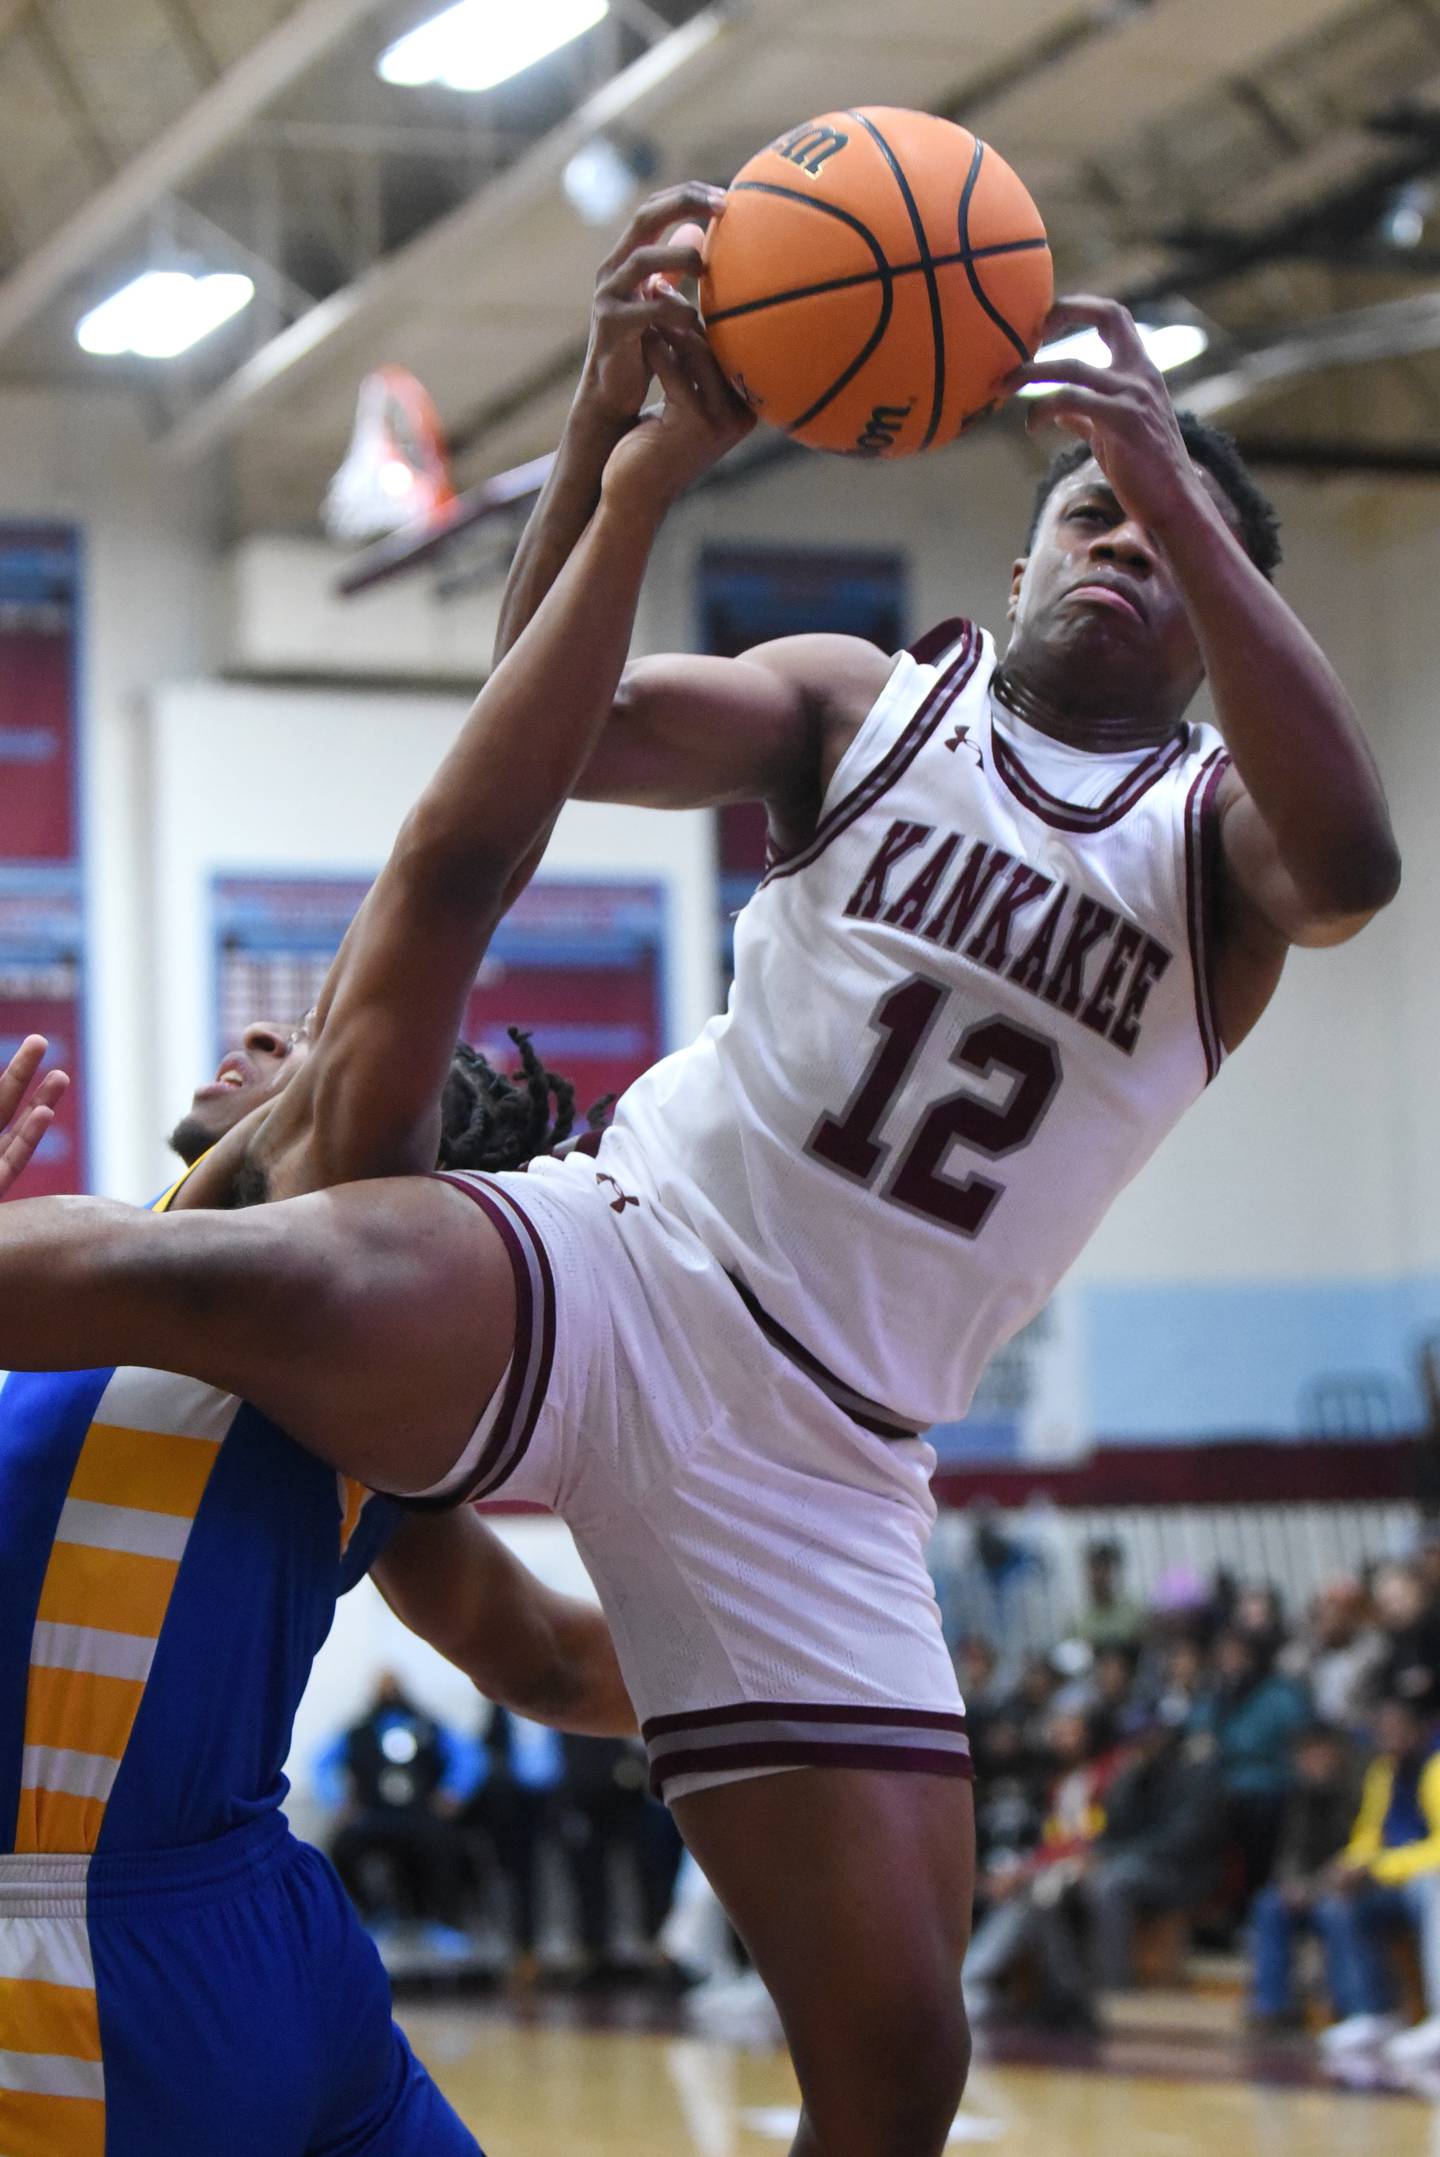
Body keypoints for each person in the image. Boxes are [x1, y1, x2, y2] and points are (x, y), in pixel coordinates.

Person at [0, 207, 1401, 2152]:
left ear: (1231, 633)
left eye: (1172, 547)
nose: (1126, 551)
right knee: (256, 1272)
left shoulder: (1223, 845)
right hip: (634, 1261)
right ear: (1015, 564)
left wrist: (1159, 451)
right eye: (1087, 519)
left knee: (904, 2065)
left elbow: (1359, 869)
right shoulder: (865, 697)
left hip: (832, 1456)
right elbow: (540, 738)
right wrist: (599, 446)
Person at [0, 187, 730, 2157]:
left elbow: (450, 865)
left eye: (316, 1041)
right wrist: (814, 1699)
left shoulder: (307, 1235)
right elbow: (545, 1651)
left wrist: (621, 464)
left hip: (82, 1964)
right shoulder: (326, 1397)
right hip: (272, 1943)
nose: (275, 1033)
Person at [1315, 1694, 1440, 2074]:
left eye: (1397, 1728)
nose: (1389, 1737)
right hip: (1391, 1878)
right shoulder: (1382, 1772)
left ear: (1418, 1730)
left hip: (1422, 1877)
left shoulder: (1435, 1769)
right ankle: (1374, 2012)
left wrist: (1381, 1867)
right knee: (1339, 1903)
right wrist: (1349, 1865)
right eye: (1382, 1730)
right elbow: (1370, 1834)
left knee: (1430, 1889)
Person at [1247, 1721, 1368, 2032]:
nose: (1312, 1762)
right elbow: (1289, 1852)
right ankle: (1271, 2007)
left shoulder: (1359, 1787)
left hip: (1352, 1884)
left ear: (1335, 1753)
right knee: (1269, 1904)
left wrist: (1318, 1885)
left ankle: (1353, 2009)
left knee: (1336, 1912)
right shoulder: (1298, 1795)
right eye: (1305, 1755)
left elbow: (1366, 1843)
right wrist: (1292, 1884)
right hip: (1310, 1886)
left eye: (1318, 1753)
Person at [1075, 1539, 1144, 1653]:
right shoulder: (1078, 1618)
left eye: (1105, 1569)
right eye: (1094, 1569)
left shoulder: (1133, 1612)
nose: (1099, 1577)